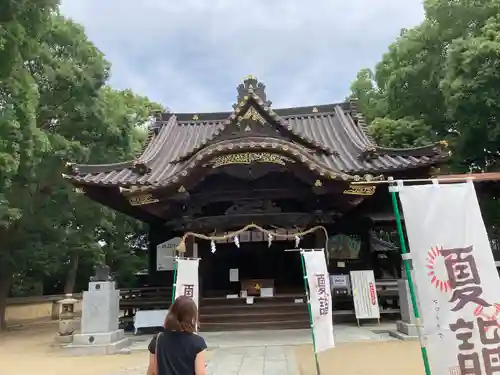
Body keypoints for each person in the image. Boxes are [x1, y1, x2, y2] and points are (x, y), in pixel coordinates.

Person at [147, 295, 207, 375]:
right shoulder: (197, 342)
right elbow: (200, 373)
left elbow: (152, 372)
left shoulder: (157, 340)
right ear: (192, 317)